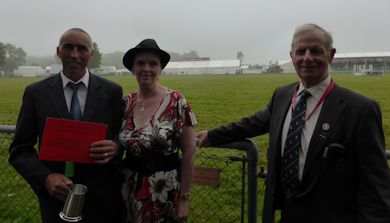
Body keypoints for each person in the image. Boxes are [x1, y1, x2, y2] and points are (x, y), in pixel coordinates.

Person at [197, 23, 390, 223]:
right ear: (292, 56)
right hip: (288, 214)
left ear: (331, 55)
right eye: (301, 52)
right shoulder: (282, 96)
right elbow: (253, 123)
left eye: (315, 51)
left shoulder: (361, 110)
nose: (307, 57)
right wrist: (213, 135)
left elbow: (375, 187)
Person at [9, 28, 124, 223]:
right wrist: (45, 178)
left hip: (102, 197)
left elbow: (122, 137)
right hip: (56, 198)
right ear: (58, 51)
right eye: (68, 47)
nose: (74, 54)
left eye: (82, 48)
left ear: (92, 54)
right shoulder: (36, 94)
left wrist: (116, 147)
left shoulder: (111, 92)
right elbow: (19, 149)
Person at [119, 39, 197, 223]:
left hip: (164, 193)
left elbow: (189, 154)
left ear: (160, 69)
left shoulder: (176, 101)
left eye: (153, 64)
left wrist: (184, 198)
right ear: (133, 68)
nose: (146, 68)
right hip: (128, 189)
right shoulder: (125, 103)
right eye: (141, 63)